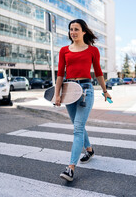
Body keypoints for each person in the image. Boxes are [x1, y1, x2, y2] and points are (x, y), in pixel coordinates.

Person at [55, 19, 112, 181]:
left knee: (78, 128)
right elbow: (60, 74)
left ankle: (70, 168)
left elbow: (99, 72)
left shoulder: (92, 50)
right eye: (71, 29)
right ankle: (89, 149)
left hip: (86, 90)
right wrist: (57, 94)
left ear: (84, 31)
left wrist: (105, 91)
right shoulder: (64, 50)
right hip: (69, 90)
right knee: (77, 125)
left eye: (76, 29)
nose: (73, 32)